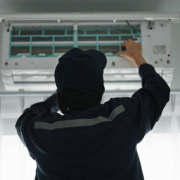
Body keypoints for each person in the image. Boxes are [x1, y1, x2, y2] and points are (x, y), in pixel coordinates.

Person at [15, 39, 170, 180]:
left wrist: (61, 95)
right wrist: (138, 57)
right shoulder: (121, 118)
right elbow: (158, 90)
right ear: (100, 90)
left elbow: (25, 119)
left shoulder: (41, 132)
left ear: (60, 95)